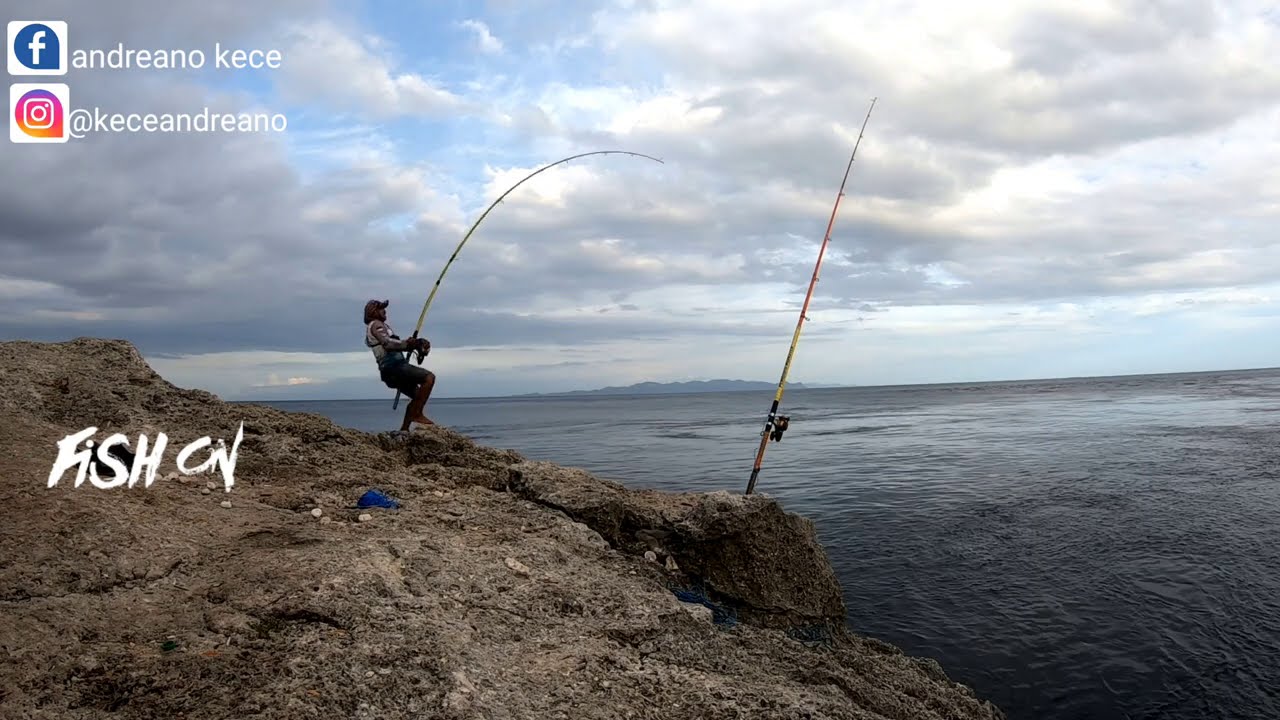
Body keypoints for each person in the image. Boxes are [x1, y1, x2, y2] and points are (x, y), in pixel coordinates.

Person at [363, 299, 436, 431]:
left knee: (418, 396)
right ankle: (417, 414)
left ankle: (404, 429)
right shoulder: (376, 325)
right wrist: (409, 344)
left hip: (390, 370)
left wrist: (414, 344)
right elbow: (387, 343)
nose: (384, 311)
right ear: (373, 312)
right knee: (429, 378)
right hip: (393, 367)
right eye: (381, 309)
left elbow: (395, 343)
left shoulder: (381, 326)